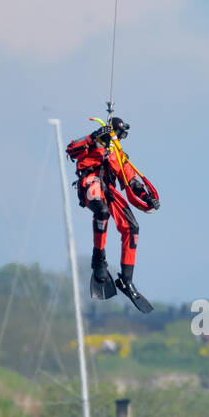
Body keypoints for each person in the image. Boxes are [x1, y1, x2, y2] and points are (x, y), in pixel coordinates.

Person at [66, 115, 160, 313]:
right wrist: (92, 137)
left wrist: (147, 197)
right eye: (118, 134)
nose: (118, 139)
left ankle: (126, 280)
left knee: (132, 227)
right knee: (102, 212)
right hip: (90, 183)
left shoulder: (118, 155)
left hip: (109, 190)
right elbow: (71, 150)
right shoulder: (90, 143)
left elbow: (132, 181)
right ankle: (98, 259)